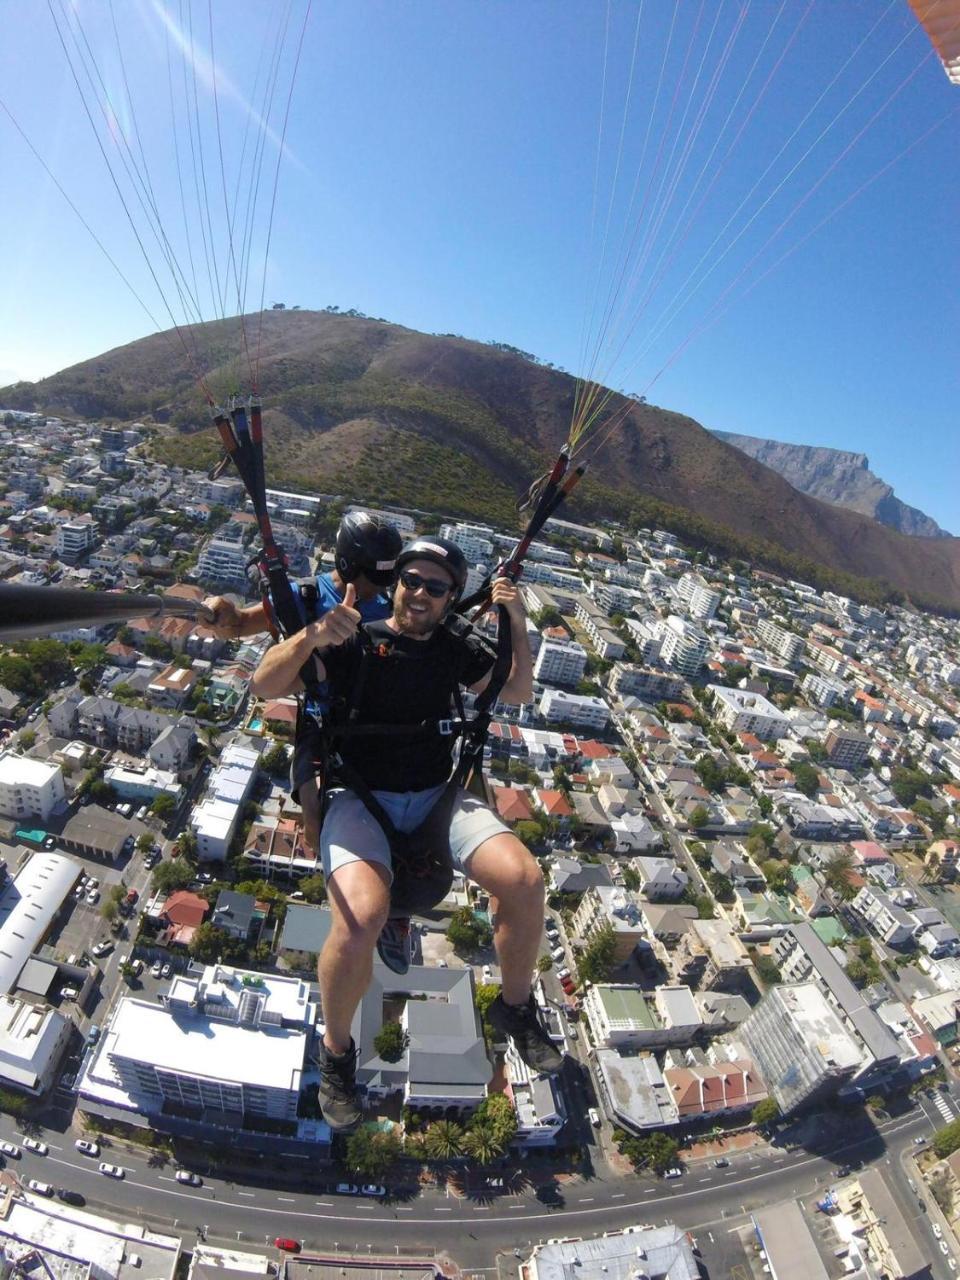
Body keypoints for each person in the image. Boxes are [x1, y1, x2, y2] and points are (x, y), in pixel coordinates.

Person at [251, 536, 565, 1132]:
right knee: (363, 916)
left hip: (437, 795)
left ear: (450, 599)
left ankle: (515, 1009)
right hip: (359, 796)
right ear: (395, 586)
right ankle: (338, 1054)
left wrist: (515, 622)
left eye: (436, 586)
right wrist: (312, 636)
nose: (420, 593)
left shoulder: (456, 650)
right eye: (411, 581)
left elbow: (517, 690)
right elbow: (264, 686)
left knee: (524, 881)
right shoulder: (351, 642)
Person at [206, 511, 402, 857]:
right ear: (345, 563)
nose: (379, 586)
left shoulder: (391, 604)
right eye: (373, 576)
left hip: (376, 713)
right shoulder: (307, 597)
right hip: (322, 718)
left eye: (386, 578)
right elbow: (239, 625)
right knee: (313, 816)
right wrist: (221, 611)